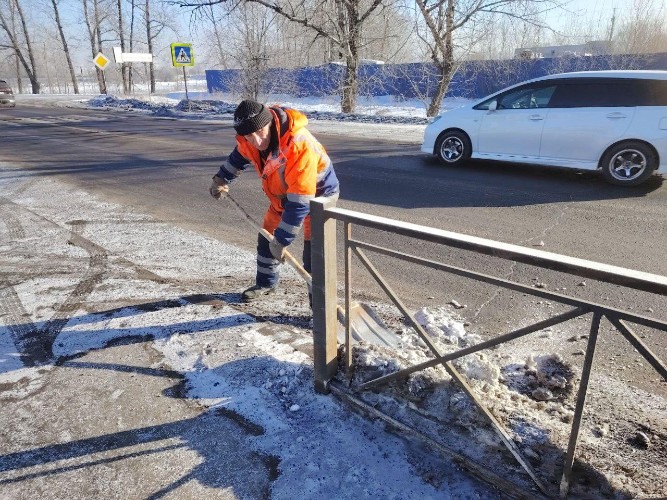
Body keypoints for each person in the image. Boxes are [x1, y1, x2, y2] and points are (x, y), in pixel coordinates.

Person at [209, 99, 340, 302]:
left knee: (314, 254)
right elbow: (239, 157)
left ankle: (320, 309)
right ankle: (266, 284)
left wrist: (283, 240)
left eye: (259, 132)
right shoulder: (250, 138)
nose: (255, 140)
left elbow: (301, 201)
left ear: (269, 123)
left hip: (317, 199)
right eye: (248, 136)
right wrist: (221, 179)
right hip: (284, 196)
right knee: (266, 239)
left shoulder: (298, 144)